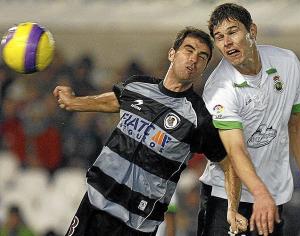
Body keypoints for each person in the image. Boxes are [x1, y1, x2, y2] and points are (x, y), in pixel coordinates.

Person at [53, 27, 247, 236]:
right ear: (172, 54)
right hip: (94, 204)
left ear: (203, 68)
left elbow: (230, 165)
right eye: (188, 50)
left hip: (137, 222)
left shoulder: (199, 119)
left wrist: (232, 208)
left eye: (202, 57)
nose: (193, 59)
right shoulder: (138, 87)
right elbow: (113, 100)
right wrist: (75, 102)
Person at [198, 3, 300, 236]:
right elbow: (235, 149)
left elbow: (297, 126)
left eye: (232, 32)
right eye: (219, 37)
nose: (226, 42)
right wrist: (259, 193)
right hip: (226, 198)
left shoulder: (287, 63)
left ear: (252, 31)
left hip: (271, 196)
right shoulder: (219, 88)